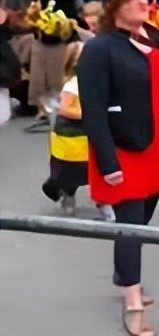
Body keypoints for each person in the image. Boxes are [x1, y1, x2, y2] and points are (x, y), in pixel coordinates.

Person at [79, 0, 159, 336]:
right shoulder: (100, 49)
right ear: (115, 6)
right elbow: (93, 111)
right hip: (125, 148)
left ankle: (125, 274)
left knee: (143, 219)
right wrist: (108, 163)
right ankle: (133, 300)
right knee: (131, 222)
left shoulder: (153, 37)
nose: (144, 3)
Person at [41, 39, 115, 221]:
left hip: (93, 130)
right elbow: (65, 109)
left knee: (100, 167)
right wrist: (88, 113)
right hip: (72, 133)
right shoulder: (72, 85)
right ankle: (68, 196)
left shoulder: (99, 81)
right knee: (70, 170)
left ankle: (105, 203)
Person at [25, 0, 78, 131]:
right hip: (43, 38)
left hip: (63, 40)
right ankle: (42, 109)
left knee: (58, 76)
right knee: (39, 77)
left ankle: (62, 106)